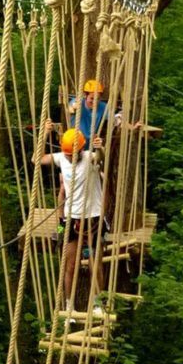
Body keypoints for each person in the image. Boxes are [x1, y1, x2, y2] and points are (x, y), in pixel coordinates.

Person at [40, 128, 106, 314]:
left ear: (81, 150)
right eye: (68, 154)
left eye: (73, 155)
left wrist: (100, 148)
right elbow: (37, 159)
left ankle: (98, 303)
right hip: (69, 219)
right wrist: (44, 134)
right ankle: (69, 305)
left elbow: (100, 159)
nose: (70, 158)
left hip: (92, 219)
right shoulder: (61, 158)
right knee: (69, 264)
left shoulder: (90, 157)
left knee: (95, 263)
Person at [68, 79, 107, 149]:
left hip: (91, 146)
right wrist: (74, 107)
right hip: (74, 143)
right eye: (92, 98)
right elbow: (70, 109)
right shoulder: (77, 102)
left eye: (98, 99)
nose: (95, 102)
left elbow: (114, 119)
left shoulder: (103, 106)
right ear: (85, 95)